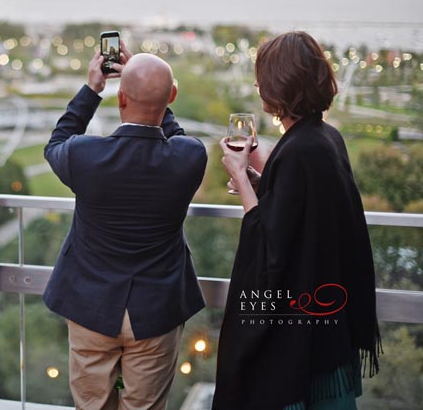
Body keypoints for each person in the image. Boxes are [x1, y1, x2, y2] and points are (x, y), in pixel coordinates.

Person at [213, 31, 381, 410]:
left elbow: (273, 247)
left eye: (262, 78)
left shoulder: (297, 150)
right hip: (331, 322)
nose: (257, 85)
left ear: (277, 85)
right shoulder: (327, 138)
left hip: (300, 334)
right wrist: (262, 183)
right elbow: (305, 215)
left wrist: (241, 179)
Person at [43, 44, 208, 409]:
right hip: (157, 309)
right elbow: (176, 135)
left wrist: (91, 90)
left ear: (121, 99)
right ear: (172, 97)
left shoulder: (84, 156)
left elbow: (56, 141)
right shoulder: (190, 157)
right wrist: (155, 92)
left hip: (91, 306)